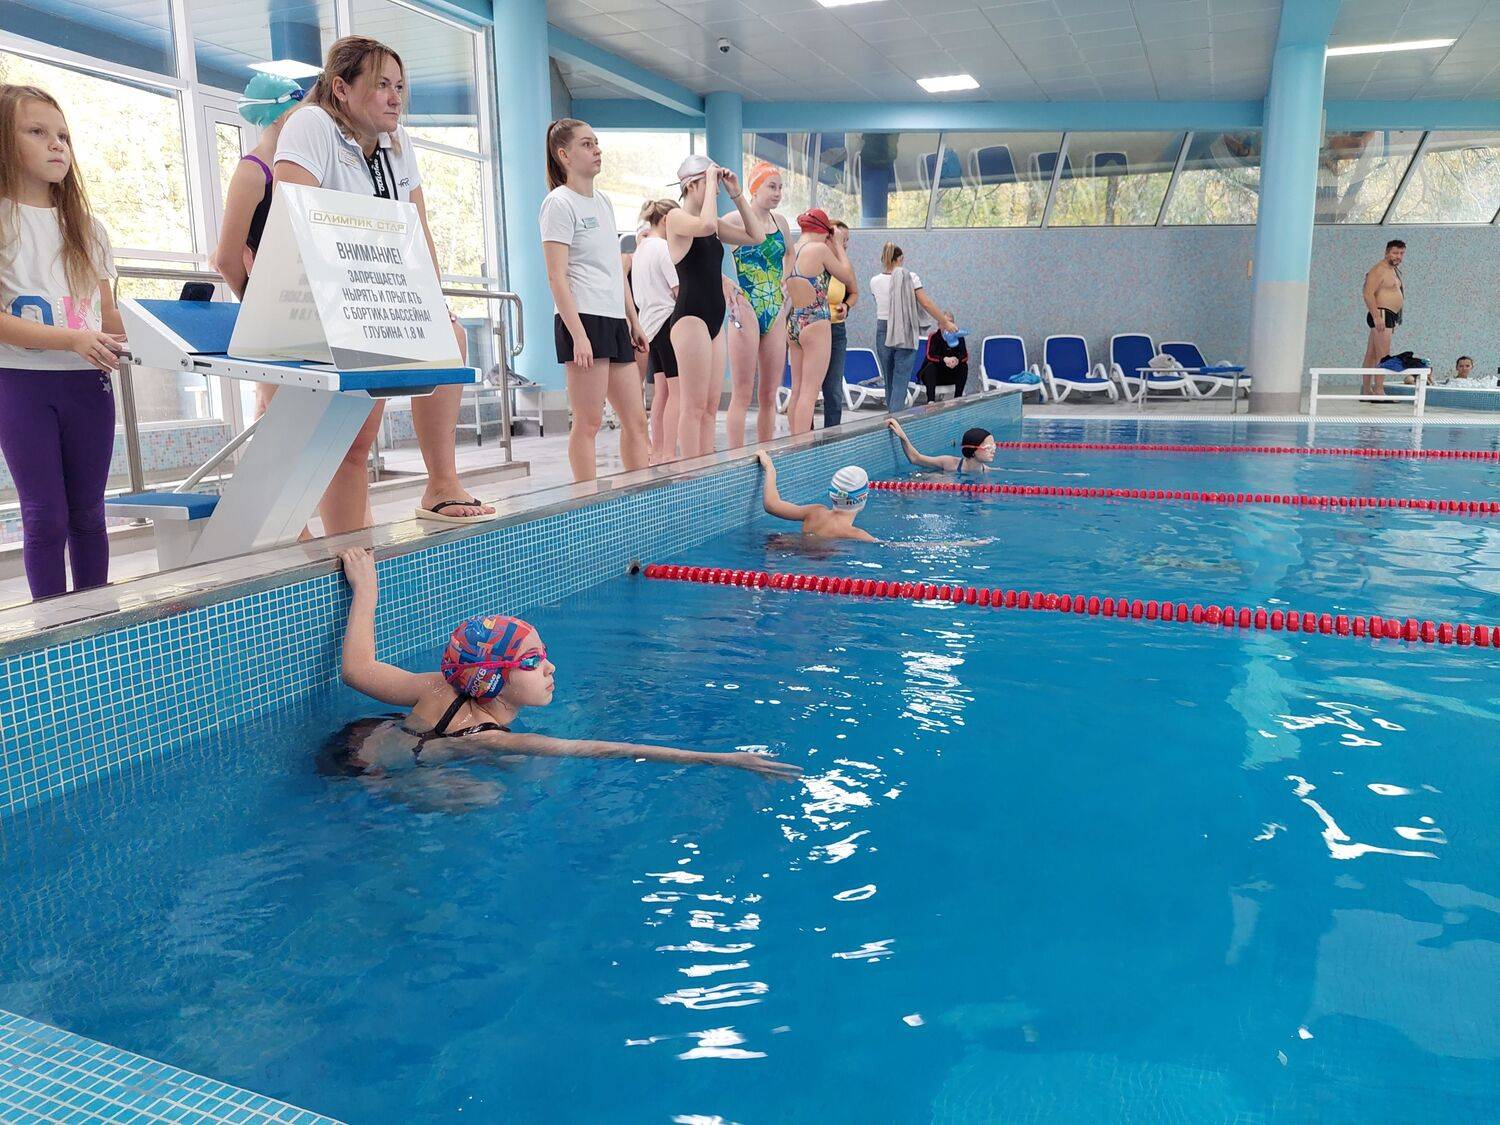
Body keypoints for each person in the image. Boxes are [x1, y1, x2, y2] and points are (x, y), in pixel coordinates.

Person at [331, 547, 799, 779]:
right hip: (368, 774)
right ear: (493, 680)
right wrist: (721, 758)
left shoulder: (438, 686)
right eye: (533, 661)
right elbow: (605, 749)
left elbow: (357, 670)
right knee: (484, 793)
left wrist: (366, 591)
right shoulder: (493, 739)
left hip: (362, 739)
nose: (551, 668)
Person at [275, 36, 494, 531]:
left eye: (399, 86)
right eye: (381, 86)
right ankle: (348, 548)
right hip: (322, 300)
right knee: (352, 442)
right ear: (341, 88)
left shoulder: (398, 144)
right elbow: (295, 221)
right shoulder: (311, 125)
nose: (396, 98)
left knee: (450, 337)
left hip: (381, 297)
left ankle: (441, 483)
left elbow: (417, 228)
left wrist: (432, 301)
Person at [0, 84, 125, 599]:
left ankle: (96, 624)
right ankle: (50, 628)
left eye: (64, 136)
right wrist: (72, 338)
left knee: (89, 515)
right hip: (21, 383)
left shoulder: (89, 229)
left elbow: (107, 312)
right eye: (37, 132)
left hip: (87, 383)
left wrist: (139, 336)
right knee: (45, 516)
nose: (57, 145)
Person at [541, 119, 651, 483]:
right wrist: (578, 335)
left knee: (636, 420)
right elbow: (557, 277)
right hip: (583, 319)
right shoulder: (558, 203)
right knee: (588, 422)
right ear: (564, 155)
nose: (597, 150)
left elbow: (614, 267)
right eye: (586, 144)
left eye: (596, 143)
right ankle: (585, 500)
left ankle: (640, 497)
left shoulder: (603, 202)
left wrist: (632, 319)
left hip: (614, 319)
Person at [211, 74, 304, 425]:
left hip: (304, 308)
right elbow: (225, 258)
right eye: (298, 110)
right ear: (278, 115)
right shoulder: (252, 172)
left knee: (295, 424)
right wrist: (256, 306)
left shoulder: (301, 168)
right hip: (274, 315)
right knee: (285, 425)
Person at [665, 155, 763, 460]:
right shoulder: (676, 218)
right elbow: (705, 224)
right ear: (692, 185)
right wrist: (709, 178)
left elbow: (757, 236)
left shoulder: (714, 226)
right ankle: (689, 474)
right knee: (693, 406)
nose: (716, 191)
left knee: (710, 407)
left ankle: (706, 471)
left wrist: (737, 193)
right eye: (711, 184)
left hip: (714, 320)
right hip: (690, 319)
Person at [724, 162, 791, 447]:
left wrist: (785, 280)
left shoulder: (781, 222)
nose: (777, 193)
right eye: (771, 186)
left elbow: (790, 254)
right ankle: (735, 459)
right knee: (742, 392)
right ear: (754, 188)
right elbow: (701, 246)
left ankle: (767, 453)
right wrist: (723, 280)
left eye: (780, 187)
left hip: (775, 309)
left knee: (769, 393)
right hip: (746, 307)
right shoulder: (735, 219)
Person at [782, 208, 856, 436]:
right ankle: (802, 447)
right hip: (815, 322)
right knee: (809, 393)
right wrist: (838, 244)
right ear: (825, 231)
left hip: (794, 321)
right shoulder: (820, 249)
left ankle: (793, 442)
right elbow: (847, 277)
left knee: (796, 391)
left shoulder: (791, 250)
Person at [871, 243, 955, 413]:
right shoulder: (911, 277)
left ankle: (891, 417)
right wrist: (945, 322)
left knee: (889, 379)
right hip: (905, 329)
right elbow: (926, 303)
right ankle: (895, 419)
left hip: (883, 329)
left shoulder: (874, 281)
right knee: (900, 379)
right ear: (901, 258)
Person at [629, 200, 680, 463]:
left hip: (649, 327)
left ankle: (658, 451)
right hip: (668, 322)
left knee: (662, 392)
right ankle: (670, 452)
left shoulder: (641, 250)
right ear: (667, 219)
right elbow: (678, 290)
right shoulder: (663, 248)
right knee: (678, 392)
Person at [755, 452, 875, 542]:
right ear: (862, 497)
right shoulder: (855, 534)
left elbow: (771, 505)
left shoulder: (815, 512)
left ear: (832, 493)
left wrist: (770, 468)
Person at [820, 219, 857, 430]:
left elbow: (854, 292)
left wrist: (846, 305)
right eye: (842, 239)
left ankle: (832, 435)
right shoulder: (814, 261)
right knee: (809, 388)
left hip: (836, 330)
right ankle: (804, 435)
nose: (845, 244)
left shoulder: (844, 268)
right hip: (814, 329)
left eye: (847, 240)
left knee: (833, 388)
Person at [1361, 239, 1405, 398]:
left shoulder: (1392, 270)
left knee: (1372, 354)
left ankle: (1367, 391)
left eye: (1401, 253)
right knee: (1383, 355)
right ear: (1386, 253)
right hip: (1381, 314)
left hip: (1387, 315)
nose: (1398, 256)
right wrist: (1377, 316)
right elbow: (1367, 293)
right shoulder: (1379, 270)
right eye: (1395, 253)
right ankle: (1379, 391)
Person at [887, 418, 995, 474]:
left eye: (994, 447)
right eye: (988, 447)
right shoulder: (949, 462)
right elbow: (915, 459)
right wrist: (902, 437)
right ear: (973, 449)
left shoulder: (987, 471)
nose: (993, 451)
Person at [915, 327, 969, 404]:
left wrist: (956, 360)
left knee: (964, 366)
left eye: (950, 322)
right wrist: (944, 359)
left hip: (950, 374)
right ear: (940, 325)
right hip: (935, 376)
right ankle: (931, 401)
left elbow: (965, 355)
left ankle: (958, 398)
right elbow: (930, 355)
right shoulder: (934, 336)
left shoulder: (959, 337)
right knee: (930, 366)